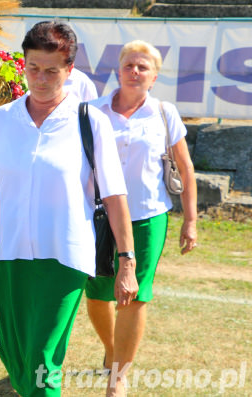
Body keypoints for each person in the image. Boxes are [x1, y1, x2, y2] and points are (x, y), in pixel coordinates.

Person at [0, 20, 138, 397]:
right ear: (23, 64)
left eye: (52, 70)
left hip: (64, 257)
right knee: (15, 359)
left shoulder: (91, 121)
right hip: (4, 254)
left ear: (70, 71)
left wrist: (127, 262)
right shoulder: (2, 119)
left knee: (42, 359)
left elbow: (115, 195)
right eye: (33, 67)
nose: (41, 78)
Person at [85, 40, 198, 396]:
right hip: (99, 217)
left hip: (148, 218)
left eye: (143, 67)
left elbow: (185, 168)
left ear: (154, 76)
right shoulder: (91, 111)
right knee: (98, 293)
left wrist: (190, 220)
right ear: (118, 70)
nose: (135, 72)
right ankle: (111, 349)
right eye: (129, 65)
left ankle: (118, 379)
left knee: (135, 296)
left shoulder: (165, 113)